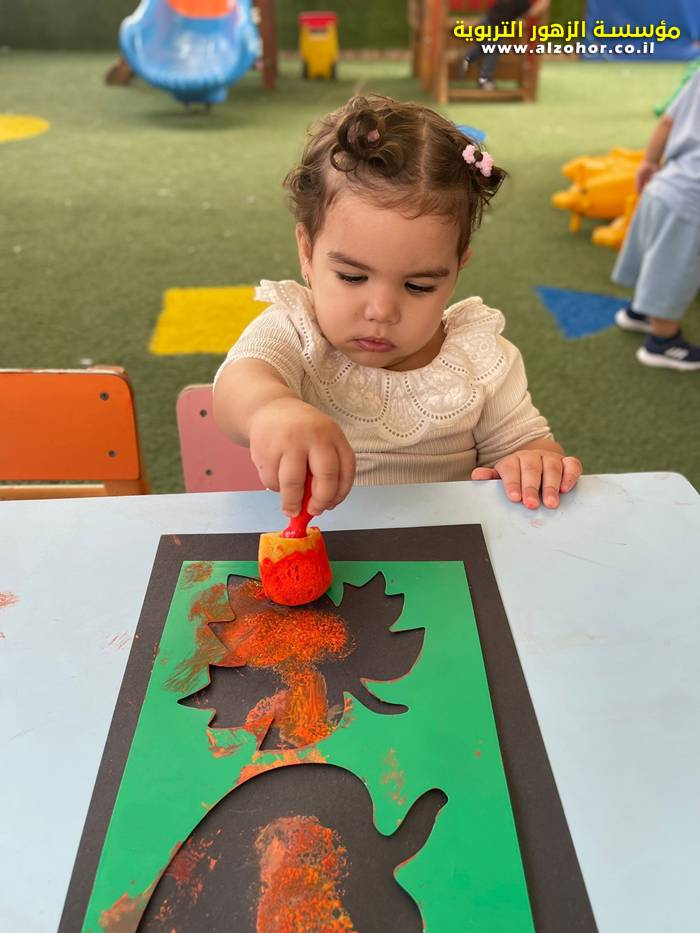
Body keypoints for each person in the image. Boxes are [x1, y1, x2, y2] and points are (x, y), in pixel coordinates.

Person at [213, 94, 582, 518]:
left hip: (444, 550)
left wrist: (534, 461)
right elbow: (238, 384)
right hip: (319, 545)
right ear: (307, 252)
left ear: (457, 269)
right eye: (352, 277)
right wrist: (271, 409)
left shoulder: (481, 358)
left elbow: (525, 446)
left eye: (419, 285)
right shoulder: (294, 328)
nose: (381, 311)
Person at [613, 69, 700, 371]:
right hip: (691, 197)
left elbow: (667, 120)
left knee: (656, 256)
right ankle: (662, 342)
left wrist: (649, 161)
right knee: (675, 269)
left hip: (666, 183)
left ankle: (639, 312)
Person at [462, 0, 550, 91]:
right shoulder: (522, 3)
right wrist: (544, 3)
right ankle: (484, 79)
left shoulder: (521, 3)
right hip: (492, 25)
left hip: (489, 23)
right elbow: (532, 12)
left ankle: (467, 58)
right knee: (492, 50)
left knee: (485, 48)